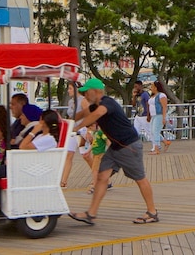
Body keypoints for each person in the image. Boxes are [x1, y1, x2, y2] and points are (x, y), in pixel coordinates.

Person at [68, 78, 159, 225]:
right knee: (101, 177)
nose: (84, 96)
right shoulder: (94, 106)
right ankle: (91, 214)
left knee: (140, 178)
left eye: (86, 92)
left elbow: (97, 115)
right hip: (115, 148)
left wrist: (75, 128)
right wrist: (65, 122)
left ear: (96, 92)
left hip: (129, 146)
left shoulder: (106, 103)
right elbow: (82, 114)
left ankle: (152, 212)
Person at [148, 81, 171, 154]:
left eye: (152, 87)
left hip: (159, 115)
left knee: (155, 131)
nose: (151, 88)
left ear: (156, 87)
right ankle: (165, 142)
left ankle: (157, 148)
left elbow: (164, 107)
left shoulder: (161, 95)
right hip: (154, 115)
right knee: (152, 131)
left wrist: (164, 117)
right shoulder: (153, 95)